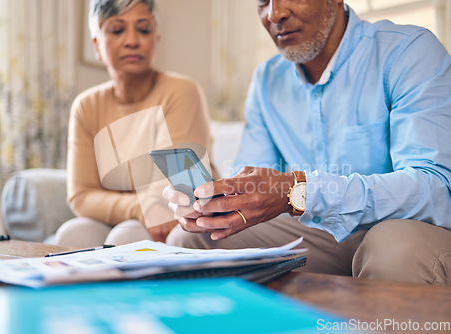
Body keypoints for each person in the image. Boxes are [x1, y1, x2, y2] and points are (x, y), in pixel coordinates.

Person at [164, 0, 451, 285]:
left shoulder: (408, 51)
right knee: (190, 239)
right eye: (263, 2)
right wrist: (216, 206)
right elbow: (253, 182)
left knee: (392, 248)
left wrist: (298, 191)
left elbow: (435, 189)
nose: (275, 14)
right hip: (319, 234)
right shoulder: (266, 80)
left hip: (405, 227)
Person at [55, 0, 213, 247]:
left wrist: (143, 209)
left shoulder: (181, 91)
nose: (132, 40)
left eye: (144, 29)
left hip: (179, 215)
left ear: (156, 40)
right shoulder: (86, 106)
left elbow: (170, 194)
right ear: (96, 44)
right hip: (133, 216)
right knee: (71, 234)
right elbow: (81, 196)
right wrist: (139, 207)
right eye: (117, 30)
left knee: (127, 237)